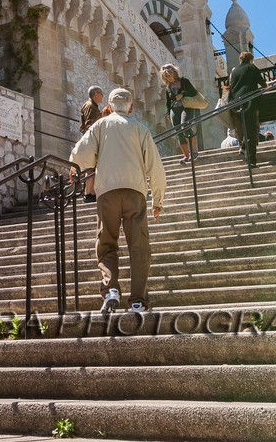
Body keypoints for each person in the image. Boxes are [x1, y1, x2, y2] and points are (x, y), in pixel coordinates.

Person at [69, 87, 166, 317]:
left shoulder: (100, 126)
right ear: (131, 107)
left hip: (108, 192)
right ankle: (138, 301)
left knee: (106, 243)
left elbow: (80, 153)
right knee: (139, 247)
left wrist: (76, 168)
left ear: (109, 107)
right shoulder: (141, 129)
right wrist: (158, 199)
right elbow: (156, 167)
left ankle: (111, 289)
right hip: (135, 192)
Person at [227, 49, 268, 169]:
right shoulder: (252, 67)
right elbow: (263, 84)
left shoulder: (234, 71)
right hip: (249, 102)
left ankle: (243, 147)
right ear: (251, 60)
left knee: (242, 129)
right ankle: (251, 160)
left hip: (235, 103)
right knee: (250, 130)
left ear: (240, 59)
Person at [160, 62, 202, 164]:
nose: (169, 78)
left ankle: (194, 152)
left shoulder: (184, 81)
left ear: (174, 73)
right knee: (178, 132)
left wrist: (182, 94)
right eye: (166, 77)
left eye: (169, 76)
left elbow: (193, 92)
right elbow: (168, 102)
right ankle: (186, 155)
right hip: (174, 109)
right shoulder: (168, 87)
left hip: (186, 106)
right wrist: (167, 114)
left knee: (185, 126)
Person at [78, 86, 105, 201]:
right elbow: (89, 125)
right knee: (90, 167)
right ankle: (88, 193)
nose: (102, 96)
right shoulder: (90, 106)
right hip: (91, 140)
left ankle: (91, 192)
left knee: (91, 167)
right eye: (101, 93)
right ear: (95, 94)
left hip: (91, 139)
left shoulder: (92, 106)